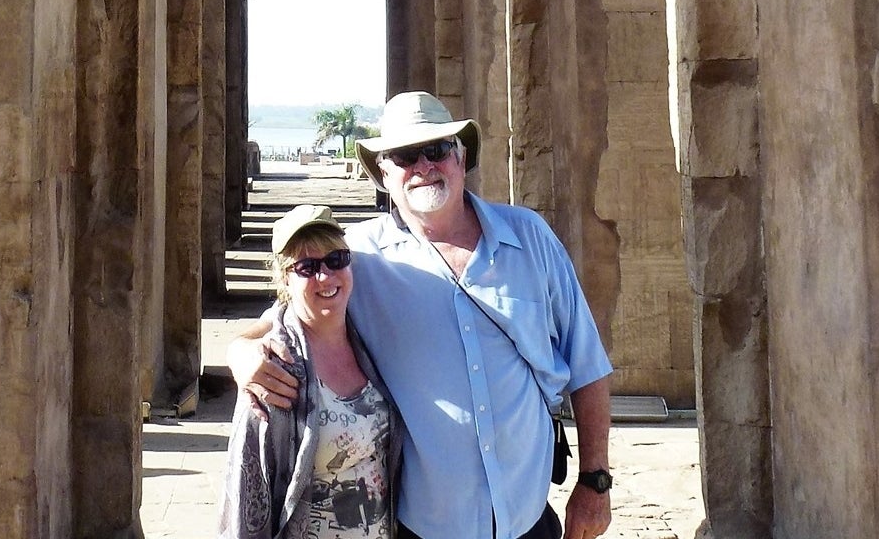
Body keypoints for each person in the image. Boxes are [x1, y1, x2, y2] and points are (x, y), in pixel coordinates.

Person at [230, 93, 614, 539]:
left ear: (461, 156)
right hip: (425, 526)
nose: (424, 166)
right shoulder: (359, 258)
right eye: (406, 156)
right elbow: (284, 318)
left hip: (527, 517)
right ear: (384, 174)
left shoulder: (530, 238)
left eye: (437, 150)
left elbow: (586, 364)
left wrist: (595, 481)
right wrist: (241, 354)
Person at [220, 204, 403, 539]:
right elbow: (246, 504)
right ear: (285, 278)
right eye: (307, 267)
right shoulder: (274, 369)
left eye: (336, 260)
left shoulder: (368, 334)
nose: (326, 277)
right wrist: (239, 351)